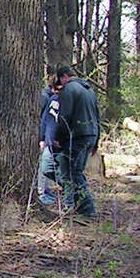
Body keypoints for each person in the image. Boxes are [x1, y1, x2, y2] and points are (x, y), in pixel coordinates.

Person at [54, 65, 100, 217]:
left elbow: (64, 117)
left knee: (74, 172)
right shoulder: (89, 90)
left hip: (79, 136)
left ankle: (87, 209)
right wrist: (96, 140)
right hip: (90, 135)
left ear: (63, 77)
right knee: (75, 171)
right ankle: (80, 206)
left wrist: (59, 138)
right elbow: (97, 116)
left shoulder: (68, 89)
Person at [37, 75, 61, 205]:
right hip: (43, 137)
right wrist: (42, 138)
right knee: (42, 166)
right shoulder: (45, 97)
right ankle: (41, 192)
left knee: (49, 164)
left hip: (48, 137)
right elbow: (42, 119)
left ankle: (46, 189)